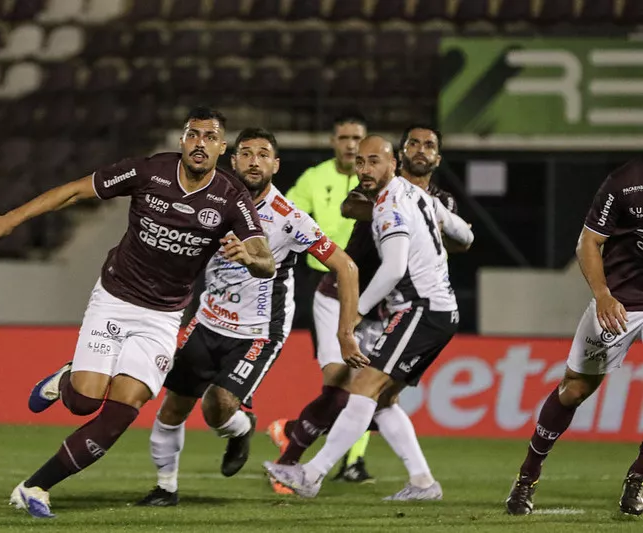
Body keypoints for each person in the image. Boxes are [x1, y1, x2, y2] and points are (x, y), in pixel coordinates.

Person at [0, 107, 276, 519]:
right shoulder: (149, 172)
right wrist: (11, 219)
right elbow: (75, 191)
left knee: (120, 414)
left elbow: (266, 261)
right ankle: (68, 378)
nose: (200, 143)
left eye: (210, 137)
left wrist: (248, 256)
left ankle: (34, 488)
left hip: (163, 318)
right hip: (115, 300)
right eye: (193, 135)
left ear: (222, 148)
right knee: (83, 403)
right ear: (182, 140)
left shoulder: (230, 197)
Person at [136, 128, 362, 507]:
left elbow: (346, 266)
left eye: (263, 154)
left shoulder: (289, 218)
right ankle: (165, 487)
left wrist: (346, 332)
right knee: (174, 405)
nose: (254, 161)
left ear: (275, 164)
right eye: (246, 153)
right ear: (232, 160)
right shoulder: (212, 202)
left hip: (258, 331)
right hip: (207, 320)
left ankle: (242, 428)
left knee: (217, 407)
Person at [263, 135, 474, 499]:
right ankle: (423, 483)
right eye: (360, 162)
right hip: (439, 311)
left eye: (374, 161)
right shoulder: (419, 195)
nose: (365, 169)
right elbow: (465, 233)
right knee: (383, 399)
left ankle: (310, 475)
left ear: (393, 163)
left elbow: (393, 269)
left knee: (362, 388)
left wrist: (355, 315)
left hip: (420, 309)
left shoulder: (389, 204)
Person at [506, 159, 643, 516]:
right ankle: (527, 476)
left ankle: (638, 479)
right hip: (621, 304)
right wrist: (602, 295)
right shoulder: (624, 184)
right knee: (574, 390)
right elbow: (589, 242)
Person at [285, 111, 372, 479]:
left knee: (368, 376)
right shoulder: (314, 178)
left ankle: (353, 461)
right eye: (344, 138)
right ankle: (298, 431)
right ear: (334, 141)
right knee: (339, 376)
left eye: (357, 138)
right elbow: (287, 214)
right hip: (325, 286)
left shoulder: (378, 178)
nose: (351, 145)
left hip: (370, 286)